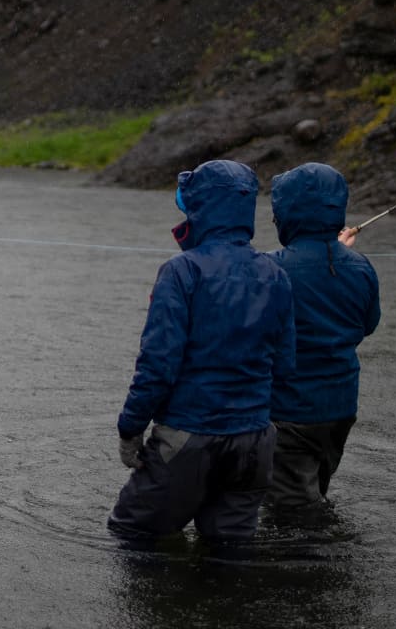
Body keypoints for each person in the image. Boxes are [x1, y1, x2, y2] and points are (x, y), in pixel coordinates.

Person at [108, 160, 296, 544]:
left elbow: (158, 364)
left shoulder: (181, 271)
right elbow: (285, 364)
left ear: (201, 210)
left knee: (132, 533)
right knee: (230, 547)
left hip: (189, 435)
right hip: (254, 441)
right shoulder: (275, 274)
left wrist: (130, 428)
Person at [264, 162, 381, 513]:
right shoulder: (361, 267)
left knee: (294, 513)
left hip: (290, 411)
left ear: (288, 213)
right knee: (313, 490)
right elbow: (368, 325)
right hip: (340, 409)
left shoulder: (269, 268)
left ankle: (319, 547)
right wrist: (337, 252)